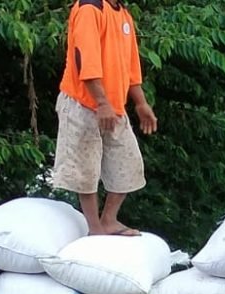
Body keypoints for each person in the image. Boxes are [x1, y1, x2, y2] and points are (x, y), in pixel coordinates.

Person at [53, 0, 158, 236]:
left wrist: (141, 102)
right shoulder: (90, 8)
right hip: (84, 102)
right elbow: (85, 58)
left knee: (129, 164)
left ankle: (109, 219)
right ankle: (95, 227)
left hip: (114, 106)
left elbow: (131, 66)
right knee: (85, 169)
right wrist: (101, 102)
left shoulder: (123, 14)